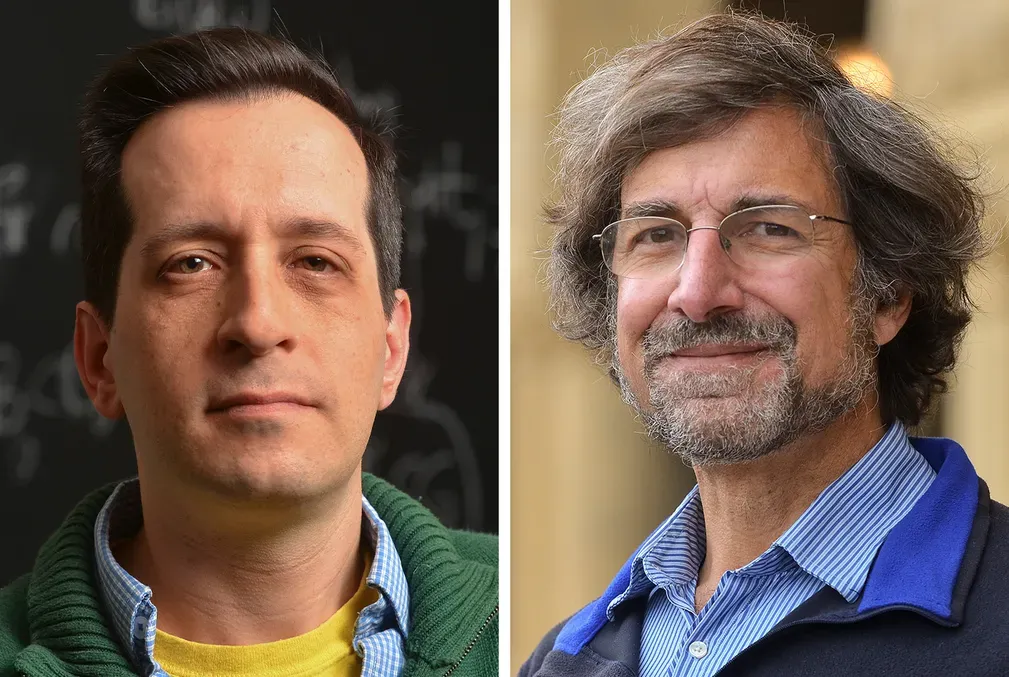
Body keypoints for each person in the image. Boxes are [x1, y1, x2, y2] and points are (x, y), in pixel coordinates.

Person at [520, 11, 1008, 677]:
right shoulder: (567, 657)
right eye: (654, 234)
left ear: (888, 292)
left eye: (768, 229)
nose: (696, 291)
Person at [0, 28, 497, 677]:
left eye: (316, 261)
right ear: (99, 358)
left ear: (391, 346)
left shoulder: (535, 624)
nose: (258, 322)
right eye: (192, 263)